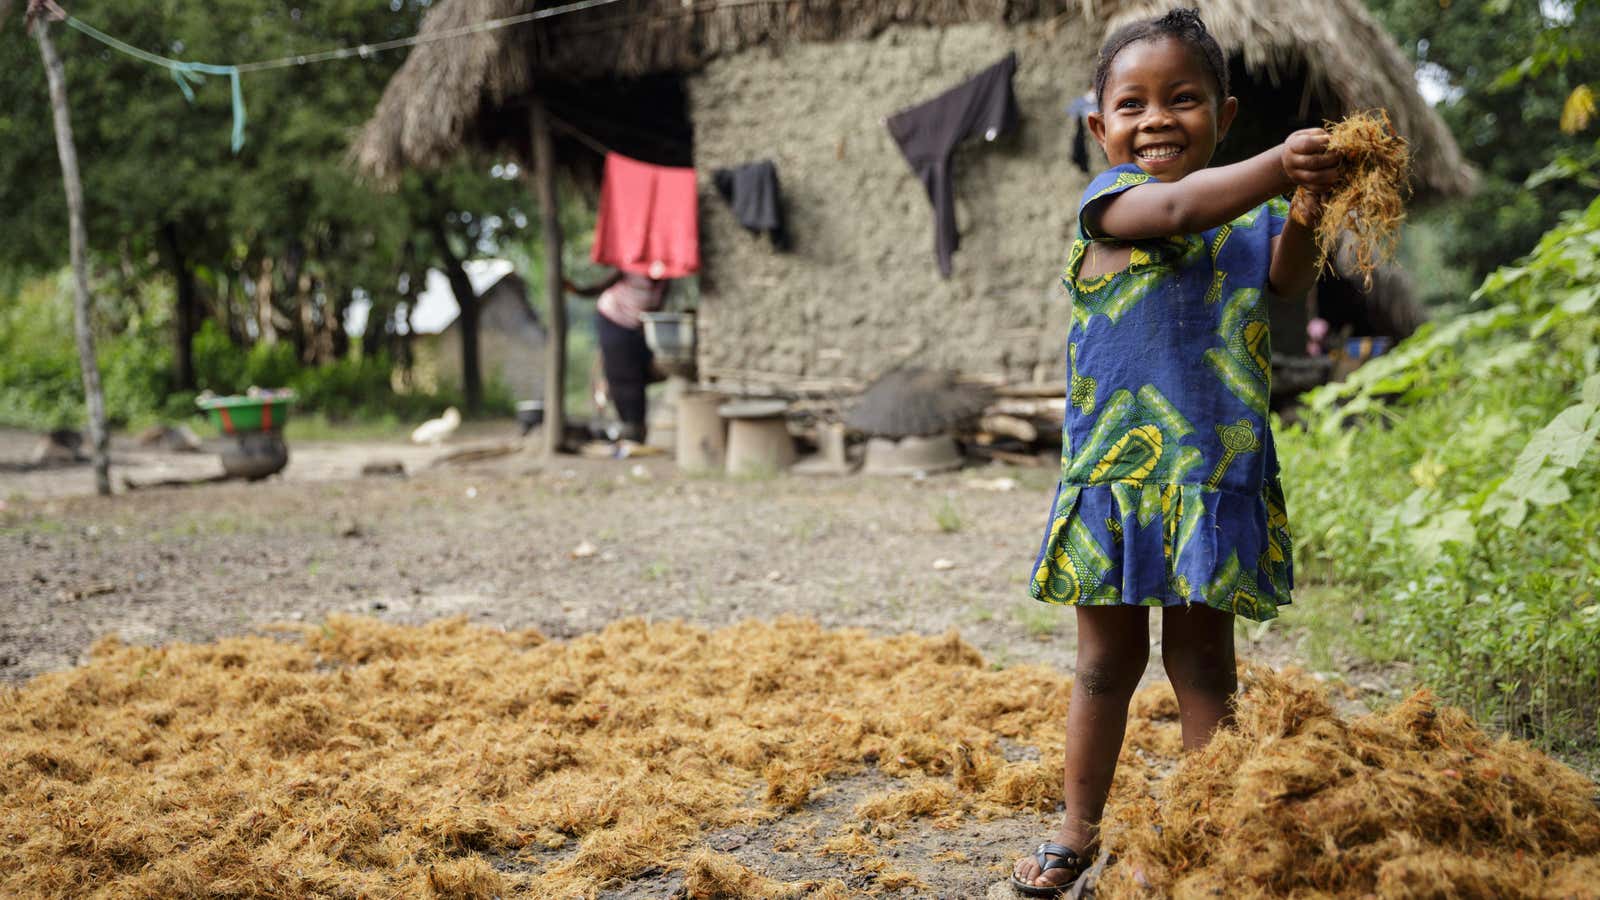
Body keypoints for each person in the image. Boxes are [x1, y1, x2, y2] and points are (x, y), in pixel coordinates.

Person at [1010, 9, 1340, 895]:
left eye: (1183, 99)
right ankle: (1076, 832)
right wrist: (1278, 164)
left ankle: (1212, 828)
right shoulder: (1111, 205)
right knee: (1104, 665)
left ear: (1224, 115)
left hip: (1211, 478)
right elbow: (1181, 207)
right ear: (1099, 127)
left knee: (1204, 664)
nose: (1157, 118)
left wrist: (1307, 201)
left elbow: (1293, 275)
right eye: (1134, 103)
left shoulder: (1250, 218)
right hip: (1118, 478)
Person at [564, 267, 668, 443]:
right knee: (622, 377)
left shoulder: (665, 275)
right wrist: (576, 289)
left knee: (637, 378)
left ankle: (637, 429)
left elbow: (657, 304)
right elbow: (598, 288)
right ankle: (629, 428)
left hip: (636, 326)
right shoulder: (630, 268)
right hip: (612, 320)